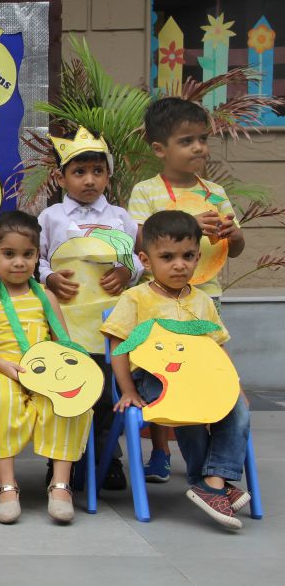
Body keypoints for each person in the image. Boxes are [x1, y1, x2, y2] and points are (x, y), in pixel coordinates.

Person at [101, 210, 251, 530]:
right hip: (153, 379)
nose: (179, 265)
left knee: (236, 408)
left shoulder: (203, 302)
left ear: (198, 257)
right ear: (146, 260)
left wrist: (235, 386)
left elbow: (217, 348)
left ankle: (212, 481)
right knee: (188, 407)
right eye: (167, 257)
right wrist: (126, 390)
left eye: (188, 256)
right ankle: (212, 484)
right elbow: (118, 345)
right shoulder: (135, 298)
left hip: (202, 376)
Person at [126, 98, 245, 483]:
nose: (198, 148)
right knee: (166, 370)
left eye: (202, 139)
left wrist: (234, 235)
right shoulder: (146, 191)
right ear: (160, 149)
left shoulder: (215, 192)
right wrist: (186, 224)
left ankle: (209, 468)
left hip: (206, 297)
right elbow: (137, 239)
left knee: (202, 373)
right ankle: (161, 450)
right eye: (186, 141)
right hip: (157, 298)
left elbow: (235, 249)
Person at [0, 210, 93, 524]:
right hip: (2, 372)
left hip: (46, 374)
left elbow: (62, 340)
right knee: (1, 400)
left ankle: (60, 485)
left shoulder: (46, 297)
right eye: (9, 254)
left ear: (38, 255)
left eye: (28, 254)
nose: (19, 262)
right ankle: (6, 485)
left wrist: (68, 371)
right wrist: (4, 367)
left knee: (69, 402)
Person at [37, 128, 142, 491]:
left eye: (97, 171)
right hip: (67, 321)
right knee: (68, 389)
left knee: (107, 393)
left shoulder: (121, 217)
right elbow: (36, 259)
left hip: (110, 324)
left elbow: (138, 258)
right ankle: (61, 462)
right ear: (61, 177)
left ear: (108, 176)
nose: (89, 180)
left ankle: (108, 458)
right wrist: (50, 278)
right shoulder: (50, 218)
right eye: (79, 172)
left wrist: (126, 271)